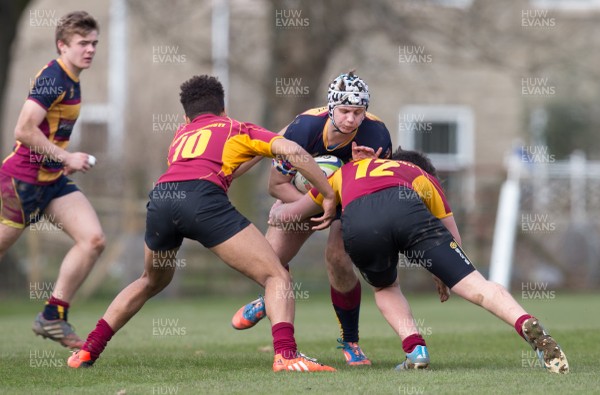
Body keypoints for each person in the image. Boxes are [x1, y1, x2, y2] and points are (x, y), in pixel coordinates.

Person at [67, 75, 338, 372]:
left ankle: (87, 350)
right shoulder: (236, 127)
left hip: (162, 199)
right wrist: (326, 193)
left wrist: (256, 154)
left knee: (150, 280)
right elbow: (293, 152)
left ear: (186, 115)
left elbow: (225, 168)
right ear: (223, 109)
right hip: (201, 199)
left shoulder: (180, 136)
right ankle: (286, 356)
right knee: (277, 277)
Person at [267, 149, 570, 374]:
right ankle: (524, 322)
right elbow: (454, 240)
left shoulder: (342, 173)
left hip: (362, 224)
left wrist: (279, 207)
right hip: (409, 214)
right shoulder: (421, 177)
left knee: (386, 287)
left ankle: (415, 350)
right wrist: (443, 274)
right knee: (476, 285)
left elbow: (291, 215)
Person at [231, 71, 396, 366]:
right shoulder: (304, 128)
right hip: (308, 201)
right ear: (331, 108)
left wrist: (338, 207)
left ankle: (350, 341)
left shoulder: (377, 135)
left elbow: (376, 191)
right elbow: (276, 186)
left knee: (338, 259)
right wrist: (319, 204)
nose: (350, 119)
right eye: (344, 111)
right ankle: (267, 300)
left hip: (351, 205)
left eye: (358, 112)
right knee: (268, 261)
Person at [0, 11, 102, 350]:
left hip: (52, 181)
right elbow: (23, 129)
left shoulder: (72, 77)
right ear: (62, 45)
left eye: (94, 43)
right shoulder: (53, 78)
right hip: (22, 182)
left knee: (92, 240)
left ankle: (52, 316)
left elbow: (48, 132)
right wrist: (65, 156)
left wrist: (60, 159)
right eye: (83, 43)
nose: (90, 50)